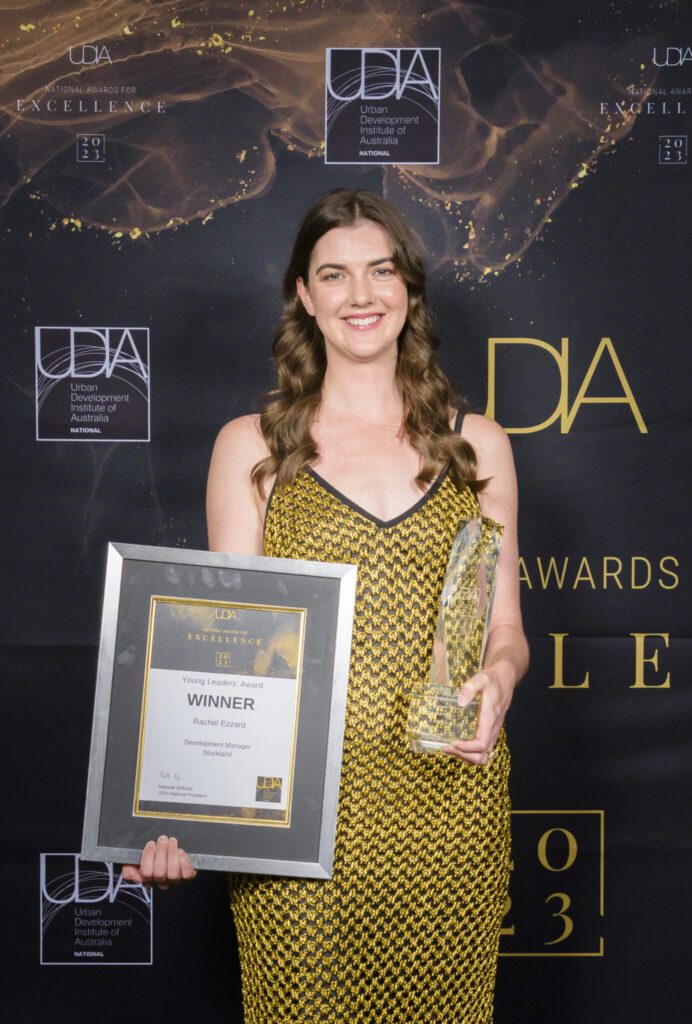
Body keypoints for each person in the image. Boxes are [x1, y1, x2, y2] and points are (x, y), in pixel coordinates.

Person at [123, 188, 529, 1023]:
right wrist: (182, 811)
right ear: (305, 296)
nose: (360, 295)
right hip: (298, 823)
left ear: (408, 288)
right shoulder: (255, 447)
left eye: (380, 270)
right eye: (334, 275)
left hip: (449, 811)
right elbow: (223, 656)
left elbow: (507, 629)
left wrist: (498, 679)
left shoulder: (477, 444)